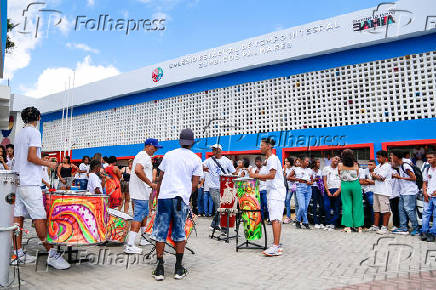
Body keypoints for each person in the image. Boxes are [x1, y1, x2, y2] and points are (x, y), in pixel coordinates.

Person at [12, 107, 70, 269]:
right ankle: (51, 254)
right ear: (38, 117)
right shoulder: (35, 133)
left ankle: (18, 253)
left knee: (18, 218)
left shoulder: (19, 134)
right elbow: (31, 157)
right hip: (30, 183)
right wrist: (49, 163)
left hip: (18, 181)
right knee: (39, 218)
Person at [152, 128, 202, 280]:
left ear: (180, 141)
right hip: (180, 199)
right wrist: (185, 196)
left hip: (164, 198)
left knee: (160, 233)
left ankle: (159, 269)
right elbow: (195, 184)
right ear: (192, 142)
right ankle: (178, 268)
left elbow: (161, 177)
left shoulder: (169, 155)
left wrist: (157, 196)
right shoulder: (196, 159)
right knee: (180, 233)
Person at [249, 137, 286, 256]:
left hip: (276, 192)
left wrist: (255, 175)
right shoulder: (270, 159)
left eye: (262, 145)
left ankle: (275, 247)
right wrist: (256, 176)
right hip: (274, 192)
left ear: (268, 146)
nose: (260, 147)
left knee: (275, 219)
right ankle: (277, 245)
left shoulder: (272, 159)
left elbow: (271, 175)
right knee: (276, 219)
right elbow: (267, 177)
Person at [124, 139, 161, 254]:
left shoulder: (142, 156)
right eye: (154, 147)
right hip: (140, 193)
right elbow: (138, 170)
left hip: (141, 192)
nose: (155, 150)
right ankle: (130, 244)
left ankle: (143, 239)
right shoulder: (143, 156)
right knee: (138, 216)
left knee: (144, 215)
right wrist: (149, 183)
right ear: (148, 146)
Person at [203, 144, 236, 234]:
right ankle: (224, 228)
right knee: (220, 206)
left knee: (223, 207)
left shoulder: (226, 161)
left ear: (220, 150)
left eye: (215, 149)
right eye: (213, 149)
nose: (213, 151)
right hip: (213, 187)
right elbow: (201, 166)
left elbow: (233, 172)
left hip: (225, 187)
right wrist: (205, 169)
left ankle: (214, 224)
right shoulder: (209, 160)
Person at [391, 151, 419, 236]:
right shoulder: (400, 165)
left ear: (397, 157)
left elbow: (414, 178)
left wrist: (399, 177)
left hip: (409, 192)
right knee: (401, 210)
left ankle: (416, 228)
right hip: (403, 192)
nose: (391, 158)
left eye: (392, 156)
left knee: (409, 210)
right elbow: (393, 165)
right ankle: (403, 228)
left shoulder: (405, 165)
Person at [338, 150, 364, 233]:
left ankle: (348, 227)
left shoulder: (340, 165)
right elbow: (357, 174)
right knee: (358, 205)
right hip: (355, 184)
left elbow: (339, 174)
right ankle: (359, 227)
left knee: (346, 206)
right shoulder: (356, 164)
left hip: (345, 185)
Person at [370, 150, 393, 235]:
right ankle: (375, 226)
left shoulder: (387, 166)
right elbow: (374, 177)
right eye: (377, 157)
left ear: (385, 158)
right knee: (376, 209)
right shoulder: (378, 166)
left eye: (379, 157)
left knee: (385, 210)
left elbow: (381, 178)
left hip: (384, 191)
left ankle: (384, 227)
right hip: (376, 190)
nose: (377, 159)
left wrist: (374, 175)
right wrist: (374, 175)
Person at [289, 156, 313, 229]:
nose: (308, 162)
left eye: (308, 161)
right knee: (302, 207)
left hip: (308, 189)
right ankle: (298, 220)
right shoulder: (296, 169)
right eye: (306, 161)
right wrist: (298, 179)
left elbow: (311, 181)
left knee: (305, 207)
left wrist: (310, 183)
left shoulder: (310, 170)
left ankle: (305, 222)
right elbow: (288, 177)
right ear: (302, 161)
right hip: (299, 188)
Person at [322, 156, 341, 230]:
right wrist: (328, 191)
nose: (337, 160)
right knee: (326, 206)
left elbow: (343, 181)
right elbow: (324, 181)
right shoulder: (326, 168)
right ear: (331, 159)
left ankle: (333, 224)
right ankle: (328, 223)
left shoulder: (340, 169)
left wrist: (338, 191)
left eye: (338, 159)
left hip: (337, 190)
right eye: (335, 158)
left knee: (336, 208)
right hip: (328, 190)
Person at [421, 151, 436, 242]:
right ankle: (424, 232)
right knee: (425, 214)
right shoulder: (427, 169)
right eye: (427, 158)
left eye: (431, 157)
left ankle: (432, 233)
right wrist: (425, 192)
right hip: (428, 196)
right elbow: (424, 182)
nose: (428, 159)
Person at [359, 160, 376, 229]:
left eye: (371, 164)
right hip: (367, 191)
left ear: (375, 165)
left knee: (374, 208)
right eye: (368, 164)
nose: (369, 166)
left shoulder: (378, 171)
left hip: (377, 191)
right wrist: (373, 182)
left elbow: (381, 181)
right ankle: (372, 224)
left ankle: (375, 224)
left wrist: (369, 181)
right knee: (371, 206)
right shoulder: (365, 171)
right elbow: (361, 182)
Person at [252, 156, 269, 221]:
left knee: (266, 203)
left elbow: (266, 179)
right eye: (256, 162)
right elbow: (253, 179)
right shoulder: (254, 169)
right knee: (259, 205)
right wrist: (256, 174)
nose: (257, 163)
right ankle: (261, 219)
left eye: (258, 162)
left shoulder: (265, 169)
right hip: (257, 189)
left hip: (264, 188)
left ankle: (269, 218)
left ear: (261, 162)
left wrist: (258, 176)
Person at [311, 159, 325, 229]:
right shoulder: (310, 171)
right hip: (313, 188)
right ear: (314, 163)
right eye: (318, 162)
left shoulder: (320, 171)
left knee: (321, 205)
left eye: (319, 162)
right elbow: (309, 180)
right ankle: (316, 222)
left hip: (320, 188)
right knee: (315, 205)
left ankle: (321, 221)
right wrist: (315, 179)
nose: (319, 164)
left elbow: (322, 180)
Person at [389, 156, 401, 230]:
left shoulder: (399, 169)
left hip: (398, 193)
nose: (392, 162)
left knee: (398, 210)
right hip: (392, 194)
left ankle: (398, 225)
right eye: (391, 160)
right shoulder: (390, 170)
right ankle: (396, 225)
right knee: (395, 210)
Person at [283, 157, 294, 224]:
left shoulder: (293, 169)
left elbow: (293, 178)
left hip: (292, 186)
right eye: (285, 161)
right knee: (286, 201)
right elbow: (283, 177)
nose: (286, 163)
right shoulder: (285, 169)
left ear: (290, 162)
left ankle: (288, 217)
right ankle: (288, 217)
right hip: (286, 186)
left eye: (287, 161)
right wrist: (284, 171)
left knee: (287, 200)